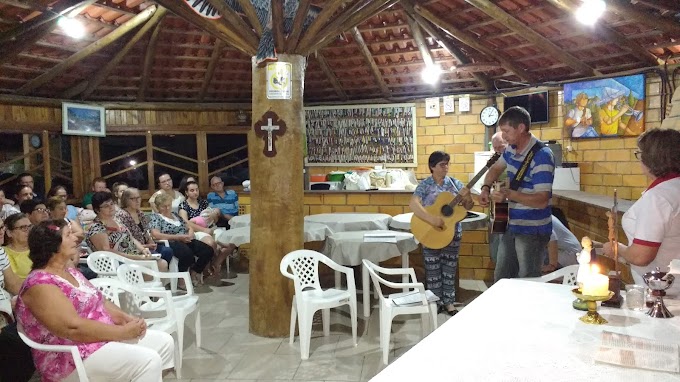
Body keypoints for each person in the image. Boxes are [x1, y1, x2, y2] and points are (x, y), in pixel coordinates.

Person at [14, 220, 175, 382]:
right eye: (68, 235)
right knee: (148, 360)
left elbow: (99, 300)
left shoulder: (69, 271)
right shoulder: (39, 284)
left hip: (98, 338)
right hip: (69, 356)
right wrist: (122, 332)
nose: (75, 239)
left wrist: (124, 318)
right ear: (51, 245)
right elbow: (72, 328)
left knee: (164, 343)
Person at [479, 106, 555, 281]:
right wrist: (485, 188)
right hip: (510, 223)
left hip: (532, 230)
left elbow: (542, 200)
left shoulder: (542, 156)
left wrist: (508, 195)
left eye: (506, 131)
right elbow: (495, 169)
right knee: (502, 278)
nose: (504, 137)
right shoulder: (510, 150)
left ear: (521, 128)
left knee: (528, 280)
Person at [603, 129, 680, 291]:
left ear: (652, 158)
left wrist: (616, 248)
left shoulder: (658, 197)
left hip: (663, 286)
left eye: (640, 154)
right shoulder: (673, 188)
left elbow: (641, 256)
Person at [409, 151, 474, 316]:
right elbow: (414, 203)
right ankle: (435, 301)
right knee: (432, 269)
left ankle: (449, 302)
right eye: (442, 164)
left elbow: (468, 207)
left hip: (451, 233)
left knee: (449, 269)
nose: (446, 167)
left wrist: (467, 198)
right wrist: (431, 219)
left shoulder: (455, 184)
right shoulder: (425, 185)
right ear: (432, 167)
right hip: (430, 231)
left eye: (447, 164)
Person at [85, 192, 168, 271]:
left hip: (133, 257)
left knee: (162, 262)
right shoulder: (96, 228)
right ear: (97, 210)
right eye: (106, 206)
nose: (111, 207)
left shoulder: (117, 220)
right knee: (161, 265)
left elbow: (131, 238)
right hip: (118, 264)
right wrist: (136, 258)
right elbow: (107, 252)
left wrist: (143, 250)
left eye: (112, 204)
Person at [149, 193, 214, 287]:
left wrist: (190, 234)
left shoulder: (175, 215)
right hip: (171, 241)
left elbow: (188, 227)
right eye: (164, 206)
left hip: (185, 238)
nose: (167, 208)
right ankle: (181, 278)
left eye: (169, 205)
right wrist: (178, 237)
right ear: (158, 207)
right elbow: (155, 234)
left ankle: (194, 272)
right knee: (187, 254)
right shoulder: (156, 217)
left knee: (208, 250)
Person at [0, 219, 34, 382]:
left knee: (26, 336)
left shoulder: (0, 253)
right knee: (15, 341)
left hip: (5, 307)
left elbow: (13, 283)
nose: (1, 231)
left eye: (1, 227)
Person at [178, 180, 232, 277]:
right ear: (186, 192)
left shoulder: (203, 203)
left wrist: (213, 216)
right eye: (192, 190)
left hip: (210, 228)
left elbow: (213, 219)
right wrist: (203, 230)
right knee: (211, 243)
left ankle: (215, 263)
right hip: (196, 231)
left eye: (197, 190)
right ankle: (206, 269)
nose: (195, 192)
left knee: (231, 242)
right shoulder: (183, 205)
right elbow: (185, 222)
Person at [115, 188, 174, 267]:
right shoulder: (122, 215)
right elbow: (128, 238)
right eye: (133, 199)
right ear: (126, 200)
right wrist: (144, 247)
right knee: (157, 258)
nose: (137, 201)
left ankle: (162, 274)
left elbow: (146, 231)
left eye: (138, 198)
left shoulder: (140, 213)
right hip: (133, 249)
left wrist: (151, 242)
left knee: (167, 251)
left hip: (147, 245)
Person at [489, 132, 508, 263]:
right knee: (497, 246)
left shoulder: (514, 159)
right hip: (499, 209)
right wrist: (490, 191)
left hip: (514, 208)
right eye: (495, 148)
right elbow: (490, 182)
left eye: (500, 147)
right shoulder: (494, 161)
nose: (497, 151)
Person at [3, 213, 33, 279]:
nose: (28, 230)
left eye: (30, 226)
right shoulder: (4, 253)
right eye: (23, 228)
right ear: (9, 233)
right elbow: (12, 282)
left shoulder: (39, 248)